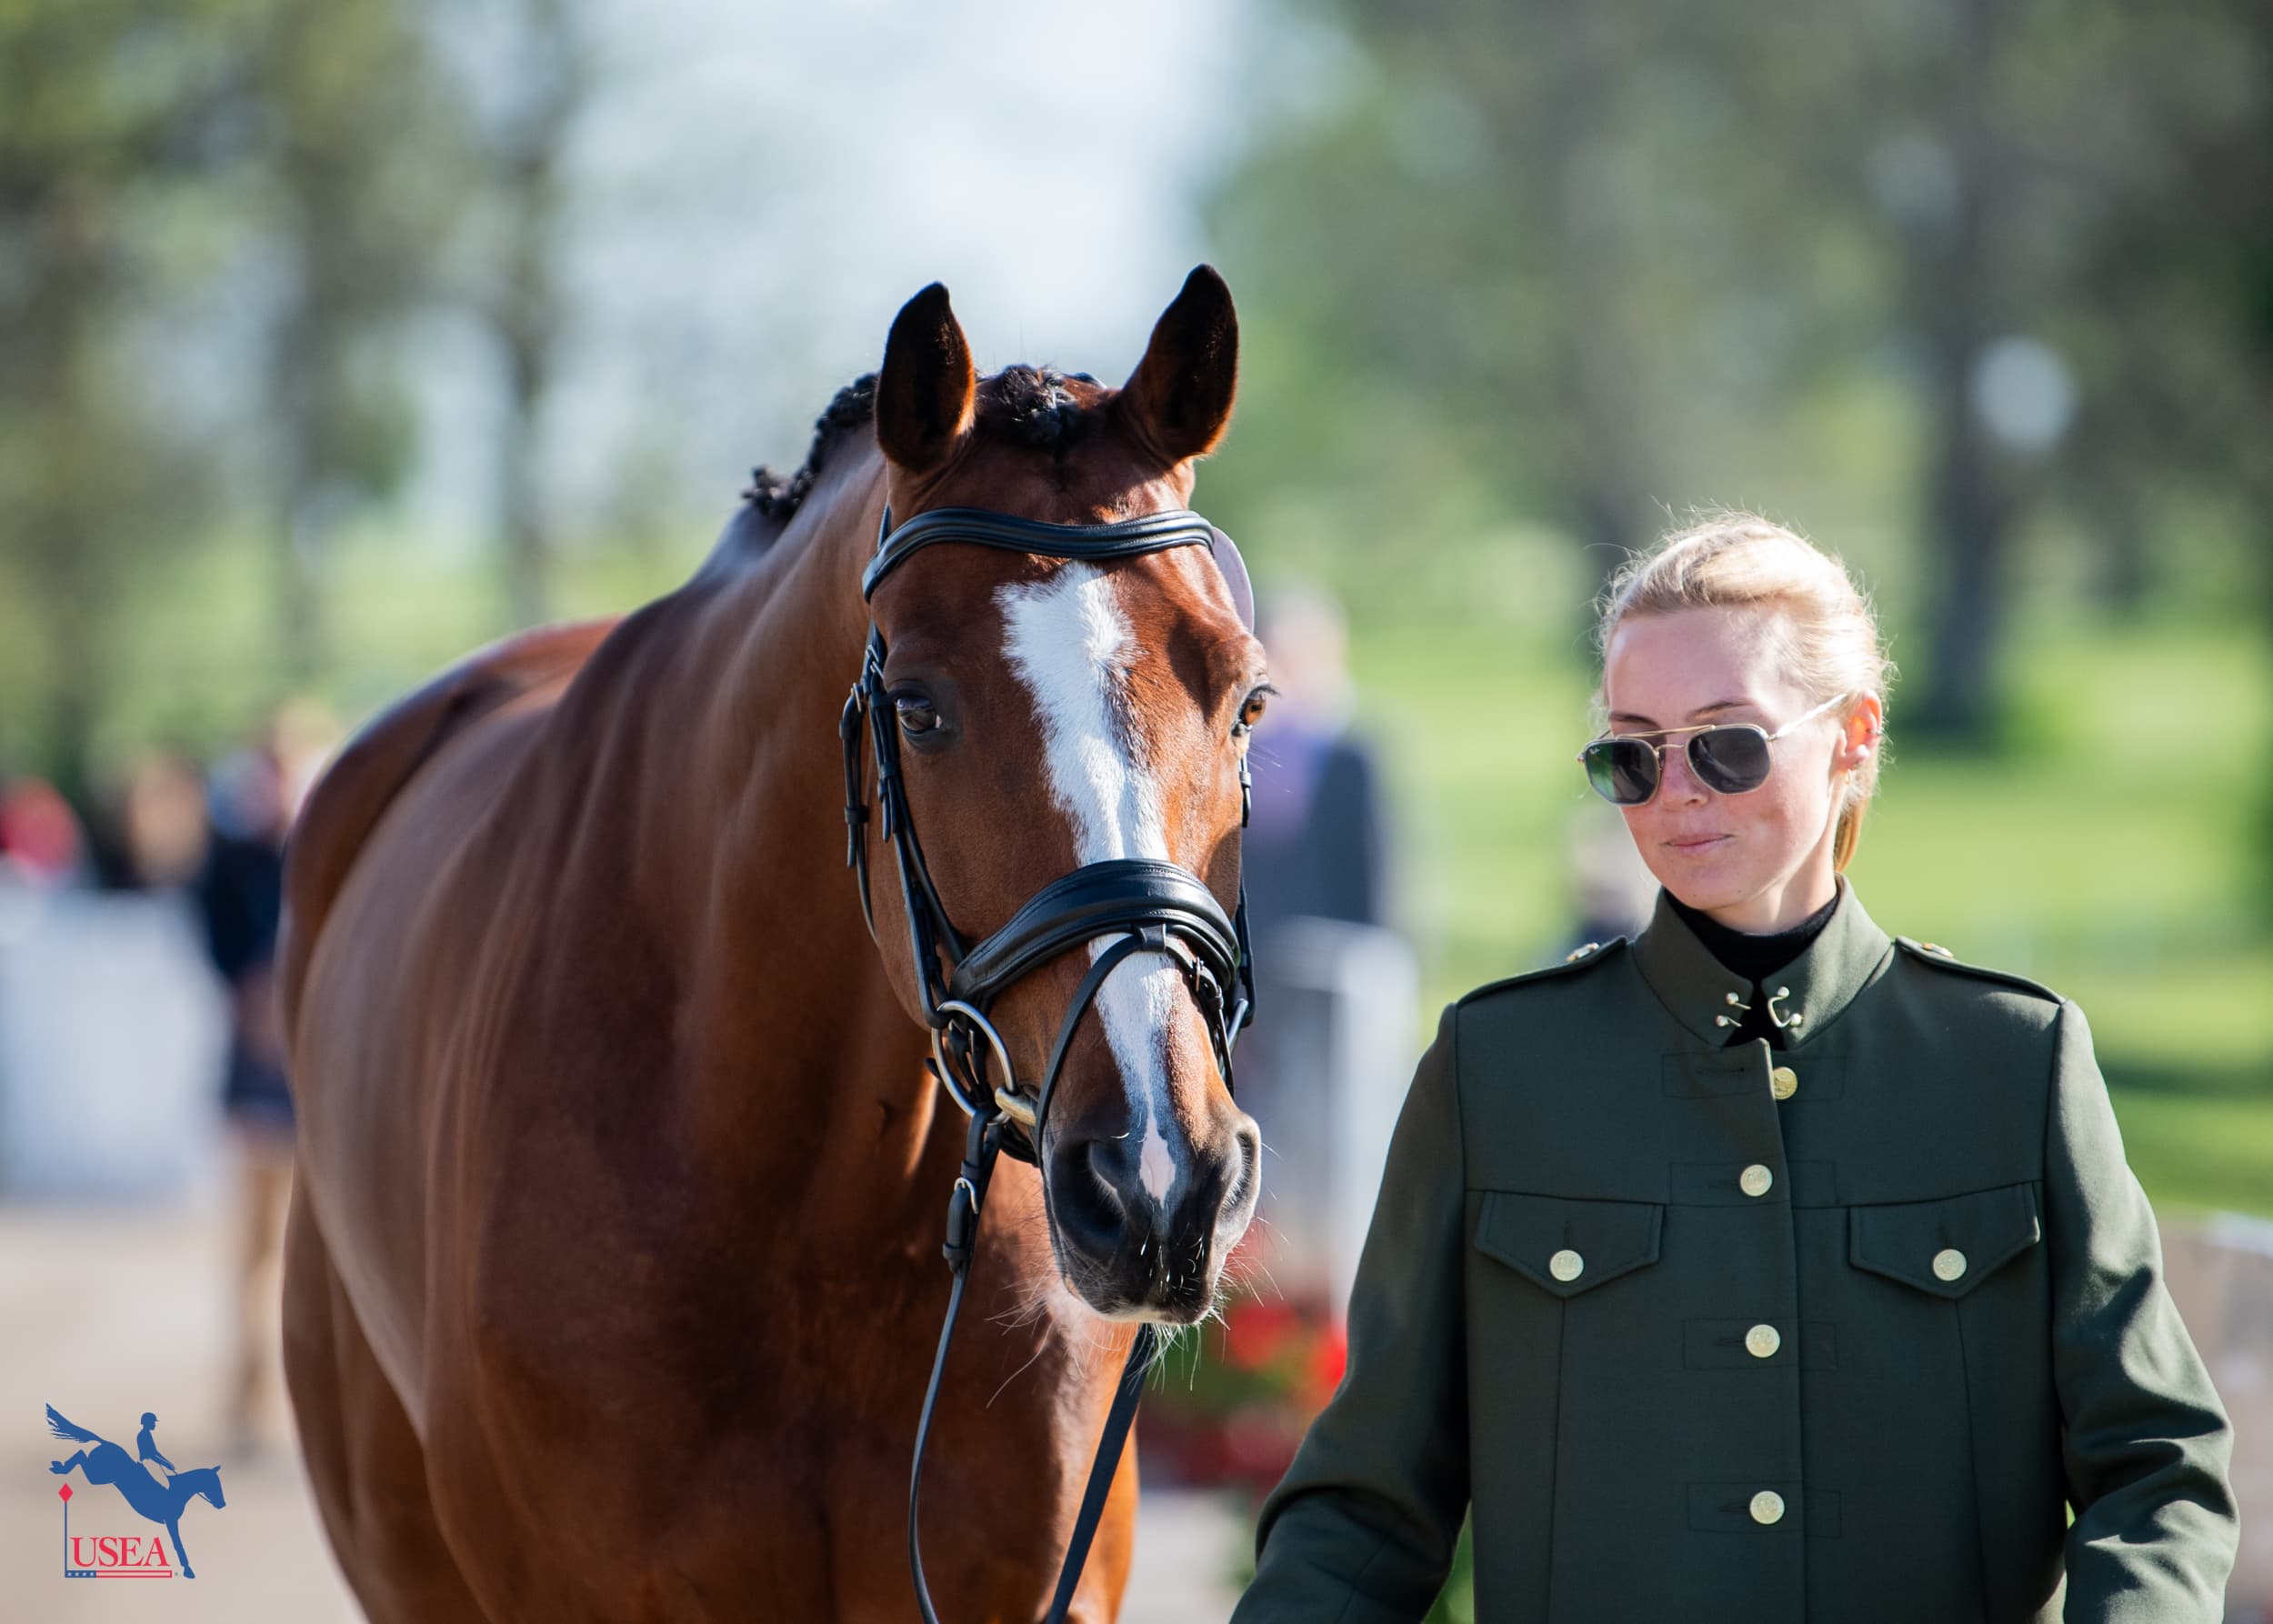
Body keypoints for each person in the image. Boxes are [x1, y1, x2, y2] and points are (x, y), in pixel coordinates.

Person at [1234, 514, 2236, 1621]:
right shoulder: (1497, 1072)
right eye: (1631, 751)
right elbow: (1368, 1512)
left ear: (1852, 735)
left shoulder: (2012, 1064)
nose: (1676, 792)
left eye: (1727, 742)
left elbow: (2153, 1468)